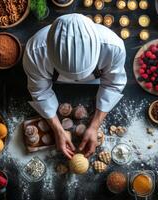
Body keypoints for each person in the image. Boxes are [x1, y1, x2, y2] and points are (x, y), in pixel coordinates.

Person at [23, 13, 127, 159]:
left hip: (96, 83)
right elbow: (40, 91)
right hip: (56, 84)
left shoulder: (113, 47)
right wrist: (58, 130)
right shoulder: (35, 52)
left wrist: (95, 125)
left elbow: (113, 85)